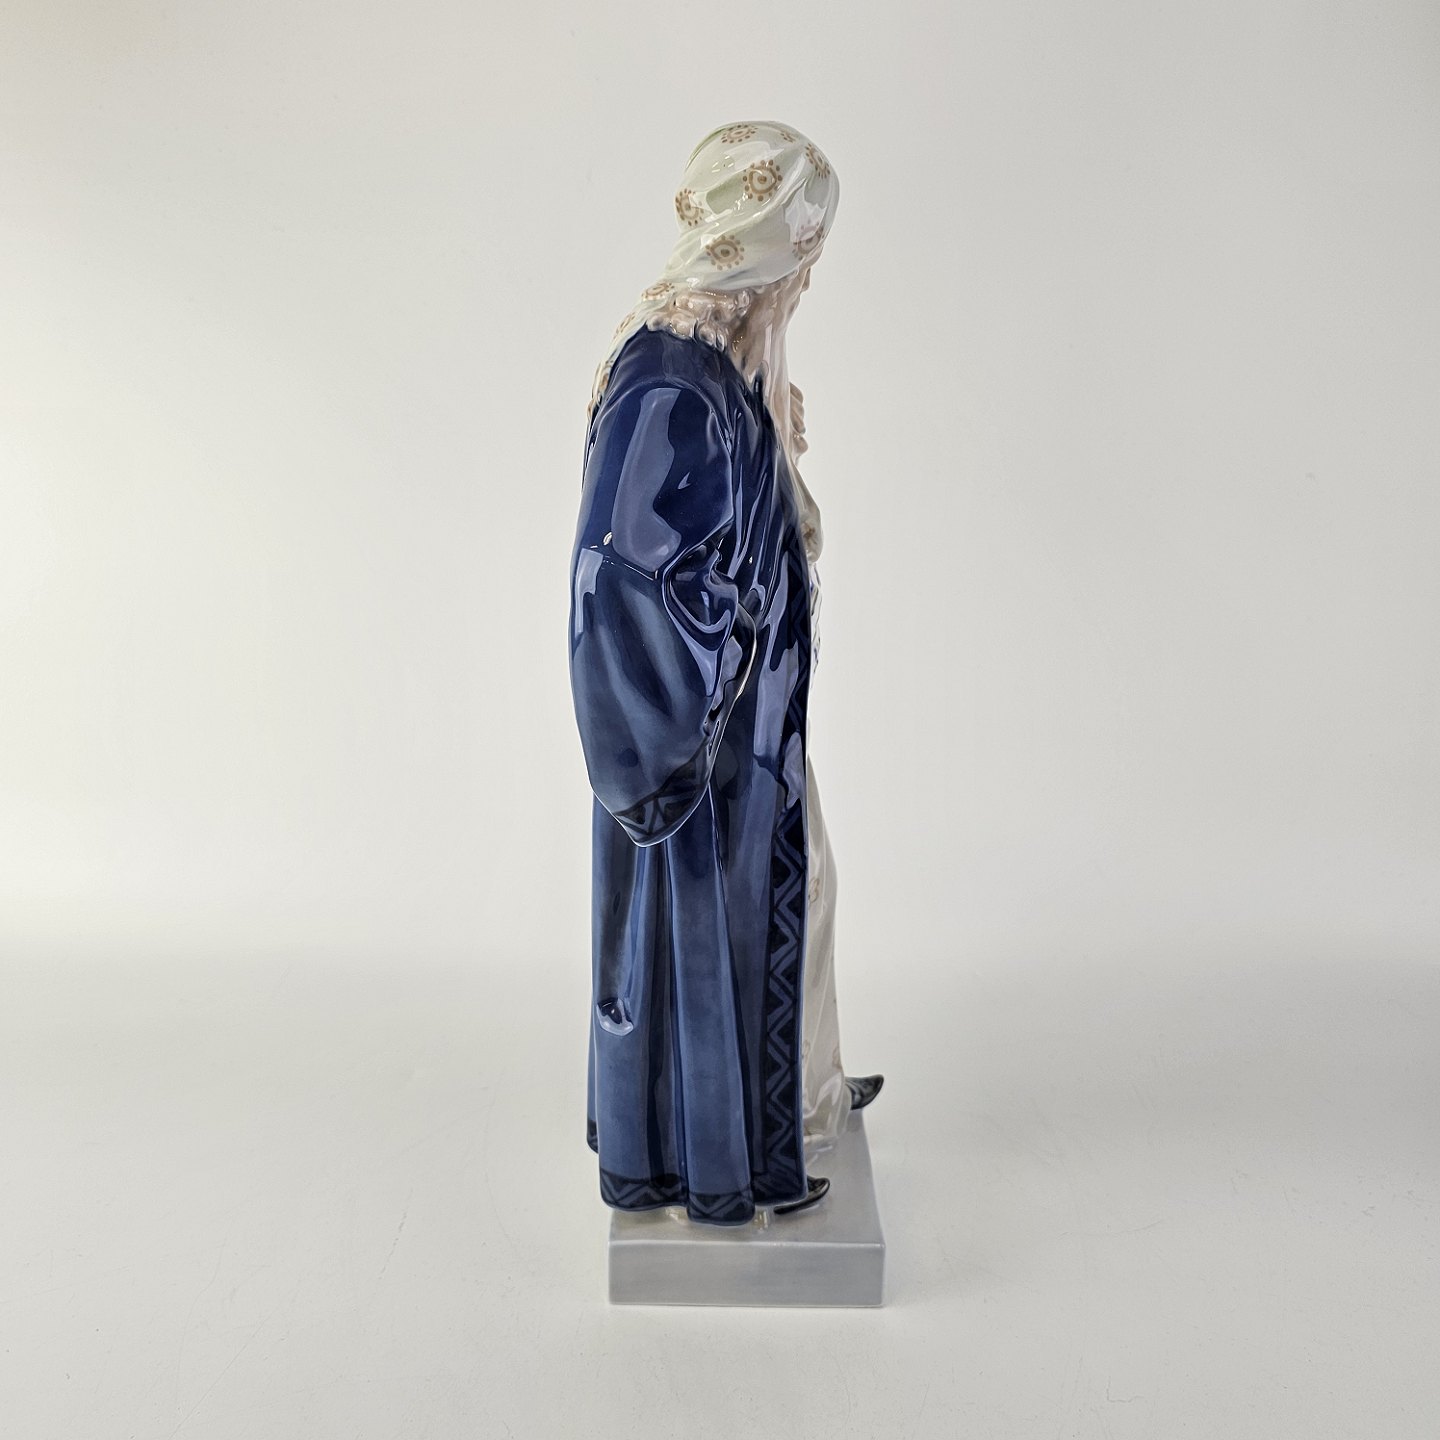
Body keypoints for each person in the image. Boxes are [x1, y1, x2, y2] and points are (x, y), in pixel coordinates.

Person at [569, 121, 882, 1227]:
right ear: (764, 255)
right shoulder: (672, 384)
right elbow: (620, 578)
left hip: (748, 737)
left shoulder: (715, 372)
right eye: (804, 258)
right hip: (705, 759)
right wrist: (731, 647)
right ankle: (743, 1141)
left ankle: (800, 1094)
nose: (807, 285)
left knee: (804, 899)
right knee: (738, 927)